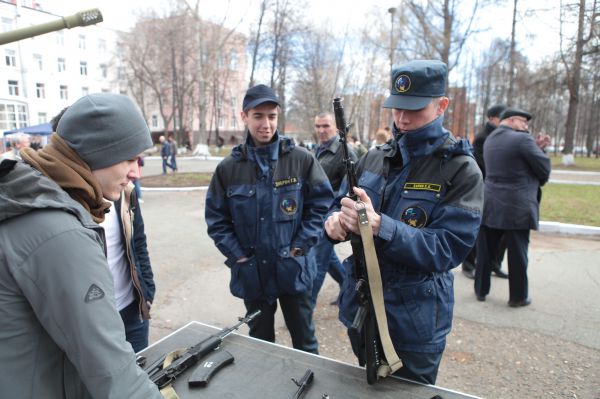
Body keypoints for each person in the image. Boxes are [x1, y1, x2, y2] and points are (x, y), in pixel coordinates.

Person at [324, 60, 484, 384]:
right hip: (363, 306)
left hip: (414, 321)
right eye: (397, 108)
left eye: (415, 109)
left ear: (441, 106)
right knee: (367, 386)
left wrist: (380, 226)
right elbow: (338, 204)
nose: (402, 118)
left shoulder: (460, 170)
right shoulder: (374, 157)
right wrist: (335, 223)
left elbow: (446, 249)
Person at [0, 93, 161, 398]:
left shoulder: (27, 191)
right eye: (129, 158)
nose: (136, 173)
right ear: (95, 153)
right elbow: (113, 374)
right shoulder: (60, 231)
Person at [205, 84, 334, 354]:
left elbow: (321, 204)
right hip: (253, 273)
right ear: (244, 117)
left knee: (305, 343)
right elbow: (217, 219)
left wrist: (300, 246)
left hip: (293, 270)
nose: (266, 124)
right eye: (258, 116)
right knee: (260, 346)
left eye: (272, 116)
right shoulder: (229, 168)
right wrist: (238, 256)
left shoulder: (300, 160)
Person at [474, 108, 551, 307]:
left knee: (485, 251)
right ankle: (518, 297)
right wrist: (540, 150)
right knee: (518, 254)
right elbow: (543, 168)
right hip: (517, 205)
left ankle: (481, 290)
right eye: (524, 122)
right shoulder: (522, 140)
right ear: (513, 120)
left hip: (491, 202)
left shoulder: (490, 139)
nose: (526, 127)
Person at [311, 112, 358, 307]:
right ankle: (347, 286)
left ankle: (305, 309)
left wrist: (335, 216)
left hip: (328, 217)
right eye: (318, 126)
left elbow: (350, 189)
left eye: (326, 126)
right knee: (328, 259)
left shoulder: (345, 152)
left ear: (336, 128)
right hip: (313, 215)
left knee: (317, 264)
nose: (321, 130)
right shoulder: (317, 150)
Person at [462, 104, 509, 280]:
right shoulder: (483, 137)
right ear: (492, 118)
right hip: (485, 188)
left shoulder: (502, 136)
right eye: (500, 117)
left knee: (501, 231)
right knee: (478, 229)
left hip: (500, 190)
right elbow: (482, 166)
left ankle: (495, 263)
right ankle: (468, 265)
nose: (503, 120)